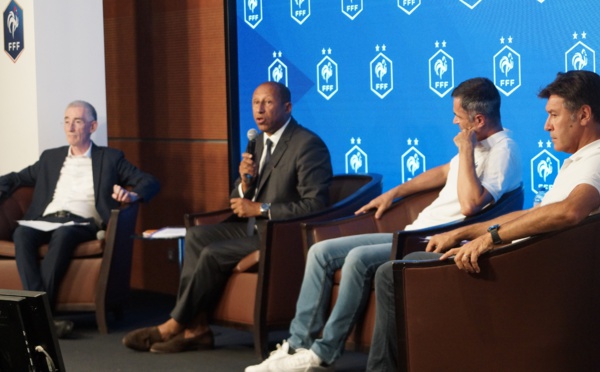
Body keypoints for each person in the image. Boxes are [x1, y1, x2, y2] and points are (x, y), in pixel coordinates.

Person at [245, 77, 522, 372]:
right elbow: (444, 172)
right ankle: (297, 344)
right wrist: (394, 192)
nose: (453, 121)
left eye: (458, 116)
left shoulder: (504, 151)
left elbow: (471, 204)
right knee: (321, 251)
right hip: (413, 231)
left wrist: (466, 150)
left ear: (478, 120)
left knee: (358, 258)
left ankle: (322, 354)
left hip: (434, 240)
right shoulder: (476, 144)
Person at [367, 70, 600, 371]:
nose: (547, 126)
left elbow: (570, 211)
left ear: (583, 114)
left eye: (554, 115)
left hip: (524, 272)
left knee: (395, 271)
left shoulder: (595, 160)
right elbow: (534, 213)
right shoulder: (579, 161)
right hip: (519, 261)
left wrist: (490, 239)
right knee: (408, 262)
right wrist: (468, 232)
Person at [122, 81, 333, 353]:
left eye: (267, 102)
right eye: (255, 102)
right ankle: (197, 329)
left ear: (288, 107)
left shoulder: (307, 144)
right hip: (253, 228)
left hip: (281, 235)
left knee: (212, 253)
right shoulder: (257, 143)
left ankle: (173, 325)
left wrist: (260, 209)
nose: (259, 109)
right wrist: (245, 183)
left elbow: (315, 205)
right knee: (197, 236)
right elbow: (237, 197)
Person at [0, 100, 160, 338]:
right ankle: (42, 319)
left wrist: (132, 194)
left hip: (81, 222)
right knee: (22, 233)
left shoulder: (110, 158)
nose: (70, 128)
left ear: (92, 126)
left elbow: (150, 181)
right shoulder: (50, 158)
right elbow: (15, 178)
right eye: (66, 121)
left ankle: (35, 319)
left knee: (64, 235)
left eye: (77, 121)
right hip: (47, 219)